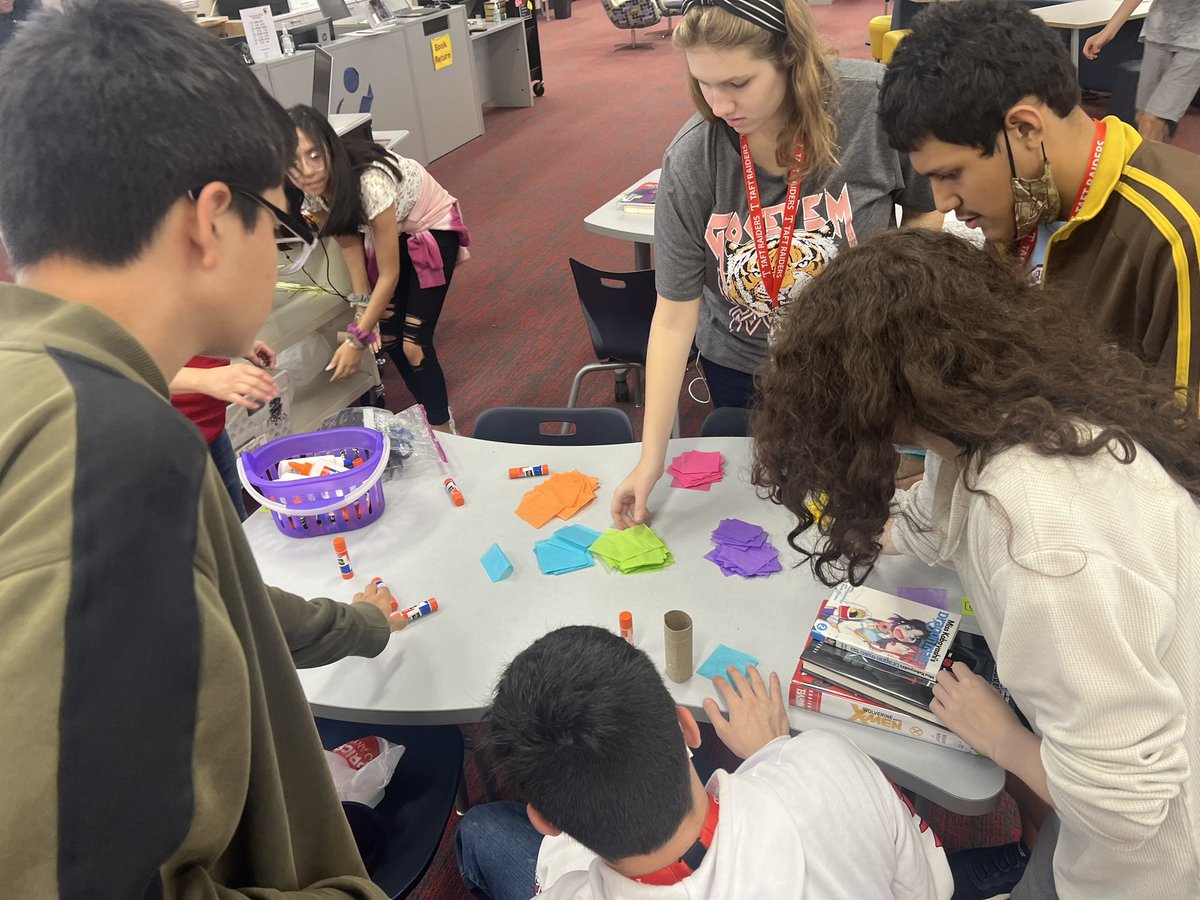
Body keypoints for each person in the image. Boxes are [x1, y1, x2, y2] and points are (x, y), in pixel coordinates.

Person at [0, 1, 408, 895]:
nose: (279, 243)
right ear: (210, 218)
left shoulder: (35, 382)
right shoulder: (112, 450)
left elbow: (205, 595)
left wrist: (354, 625)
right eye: (275, 220)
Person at [750, 228, 1200, 900]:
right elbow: (938, 522)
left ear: (882, 393)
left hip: (1155, 860)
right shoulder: (1004, 419)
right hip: (1111, 778)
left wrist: (1003, 738)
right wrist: (875, 527)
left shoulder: (1039, 542)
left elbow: (1124, 813)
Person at [610, 0, 937, 529]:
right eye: (704, 85)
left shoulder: (869, 103)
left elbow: (926, 208)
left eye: (738, 82)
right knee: (763, 512)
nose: (719, 105)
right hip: (743, 365)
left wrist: (899, 315)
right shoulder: (695, 157)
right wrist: (652, 458)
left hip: (859, 359)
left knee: (857, 506)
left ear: (790, 55)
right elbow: (673, 318)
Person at [454, 625, 952, 900]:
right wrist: (777, 753)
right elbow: (928, 888)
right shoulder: (829, 762)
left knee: (480, 829)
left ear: (545, 821)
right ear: (687, 725)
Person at [879, 0, 1200, 402]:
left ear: (1025, 128)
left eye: (951, 174)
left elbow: (1185, 448)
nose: (943, 203)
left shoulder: (1181, 235)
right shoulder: (1026, 200)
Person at [286, 104, 469, 434]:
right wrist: (361, 315)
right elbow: (350, 248)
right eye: (293, 163)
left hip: (432, 228)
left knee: (415, 344)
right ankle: (428, 412)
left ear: (330, 147)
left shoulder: (369, 183)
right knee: (389, 337)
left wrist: (356, 340)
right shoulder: (312, 194)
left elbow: (389, 274)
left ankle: (445, 429)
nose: (306, 171)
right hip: (393, 230)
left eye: (314, 155)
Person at [169, 342, 280, 520]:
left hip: (211, 426)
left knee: (237, 520)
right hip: (170, 442)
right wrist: (202, 378)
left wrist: (229, 344)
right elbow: (126, 369)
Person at [1084, 0, 1200, 144]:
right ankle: (1158, 161)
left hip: (1195, 43)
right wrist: (1108, 31)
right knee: (1142, 116)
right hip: (1158, 31)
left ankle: (1141, 165)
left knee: (1151, 120)